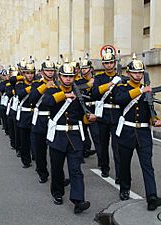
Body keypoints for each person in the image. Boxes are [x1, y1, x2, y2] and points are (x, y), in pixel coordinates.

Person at [42, 59, 96, 214]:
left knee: (76, 170)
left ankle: (78, 200)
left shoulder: (79, 92)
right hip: (58, 135)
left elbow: (81, 115)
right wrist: (65, 95)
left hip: (74, 136)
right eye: (65, 76)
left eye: (71, 76)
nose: (68, 79)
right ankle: (57, 193)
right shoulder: (53, 89)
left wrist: (89, 118)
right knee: (57, 169)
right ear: (60, 77)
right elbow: (46, 102)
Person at [113, 55, 161, 211]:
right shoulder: (123, 87)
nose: (138, 75)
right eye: (135, 73)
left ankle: (152, 197)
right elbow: (120, 99)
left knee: (147, 166)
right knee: (124, 163)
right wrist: (140, 90)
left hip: (143, 132)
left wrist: (155, 120)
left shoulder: (146, 90)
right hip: (127, 131)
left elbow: (150, 109)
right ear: (129, 73)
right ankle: (124, 189)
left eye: (140, 73)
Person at [91, 49, 121, 184]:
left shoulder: (122, 79)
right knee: (103, 144)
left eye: (111, 62)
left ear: (115, 63)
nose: (109, 65)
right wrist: (110, 84)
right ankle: (104, 166)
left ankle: (120, 174)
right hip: (102, 115)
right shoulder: (99, 78)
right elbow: (95, 93)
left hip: (117, 115)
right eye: (106, 63)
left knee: (118, 147)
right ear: (103, 64)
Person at [30, 57, 56, 183]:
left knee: (56, 151)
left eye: (52, 70)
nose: (50, 73)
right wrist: (45, 86)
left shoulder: (59, 84)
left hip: (54, 119)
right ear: (42, 72)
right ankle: (42, 172)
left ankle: (57, 176)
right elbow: (33, 98)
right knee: (40, 149)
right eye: (47, 70)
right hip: (40, 119)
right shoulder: (36, 84)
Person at [16, 60, 36, 168]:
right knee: (25, 140)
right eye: (27, 73)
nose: (30, 75)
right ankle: (26, 160)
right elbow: (20, 94)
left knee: (35, 138)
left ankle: (35, 155)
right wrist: (32, 88)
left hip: (35, 115)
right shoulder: (20, 84)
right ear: (24, 74)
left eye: (31, 73)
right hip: (25, 114)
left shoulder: (38, 83)